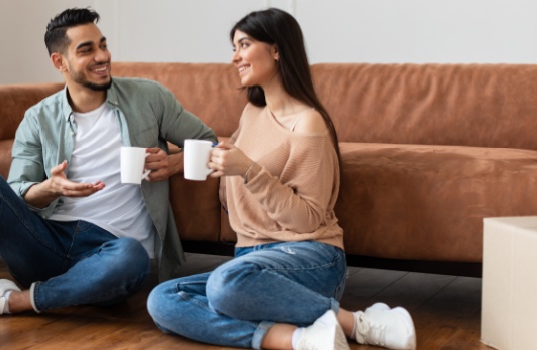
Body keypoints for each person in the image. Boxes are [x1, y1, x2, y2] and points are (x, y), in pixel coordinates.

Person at [0, 7, 217, 350]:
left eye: (103, 45)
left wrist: (173, 164)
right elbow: (16, 192)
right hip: (48, 241)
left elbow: (207, 140)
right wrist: (49, 188)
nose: (102, 56)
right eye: (86, 50)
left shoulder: (148, 97)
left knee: (133, 257)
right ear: (60, 62)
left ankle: (11, 301)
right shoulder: (38, 118)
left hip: (112, 252)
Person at [146, 8, 416, 350]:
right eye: (234, 48)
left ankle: (356, 323)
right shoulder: (252, 113)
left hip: (308, 258)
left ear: (276, 49)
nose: (235, 57)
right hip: (249, 261)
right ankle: (296, 339)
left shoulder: (309, 124)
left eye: (244, 45)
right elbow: (242, 188)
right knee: (162, 299)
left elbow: (307, 219)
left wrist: (247, 169)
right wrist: (207, 164)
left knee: (224, 286)